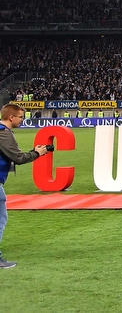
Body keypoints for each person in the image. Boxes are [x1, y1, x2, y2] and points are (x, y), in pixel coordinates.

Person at [0, 103, 50, 268]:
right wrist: (37, 153)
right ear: (11, 117)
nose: (23, 120)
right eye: (20, 117)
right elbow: (18, 158)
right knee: (1, 219)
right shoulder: (4, 133)